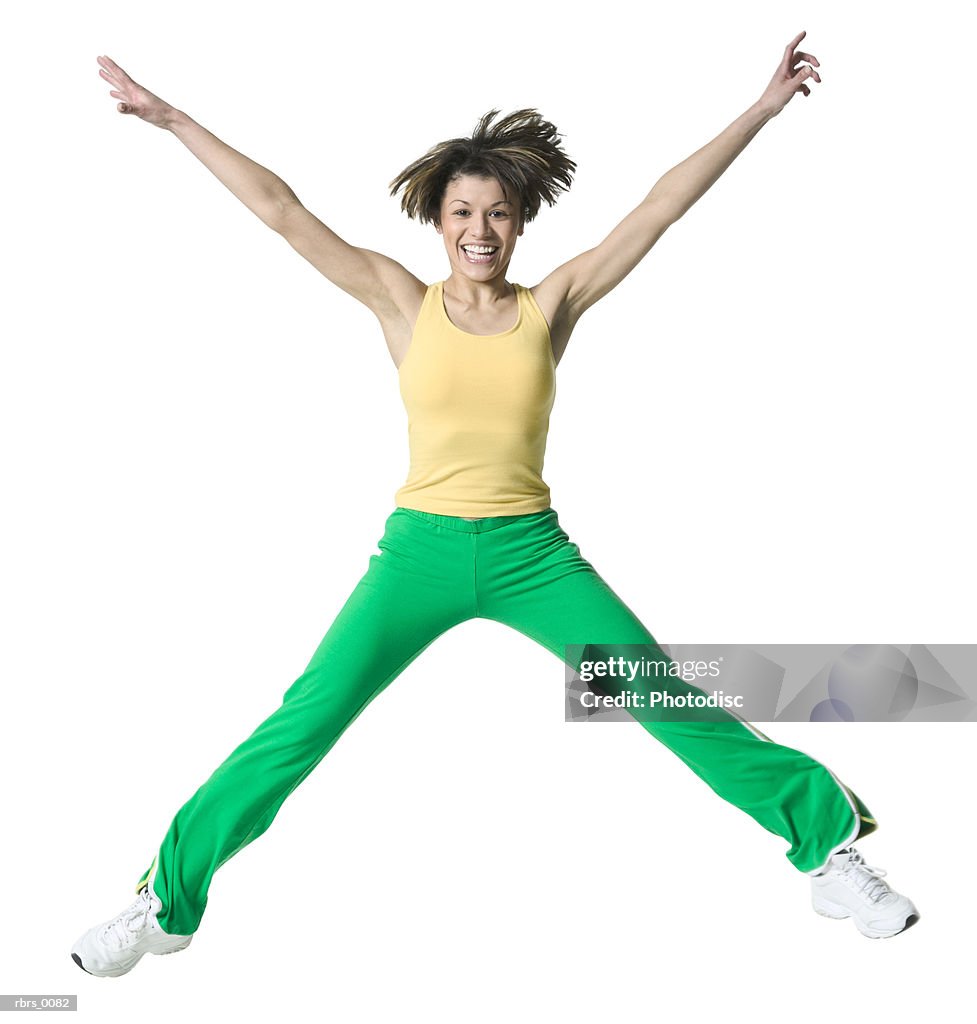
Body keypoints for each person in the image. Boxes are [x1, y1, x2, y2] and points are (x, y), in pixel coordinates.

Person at [73, 32, 918, 977]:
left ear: (521, 225)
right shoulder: (399, 299)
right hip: (418, 556)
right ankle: (164, 903)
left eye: (499, 214)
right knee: (298, 727)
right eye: (462, 212)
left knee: (665, 696)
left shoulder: (552, 303)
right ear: (436, 220)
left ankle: (827, 851)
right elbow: (281, 211)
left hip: (533, 557)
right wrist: (173, 118)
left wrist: (759, 111)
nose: (480, 230)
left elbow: (658, 209)